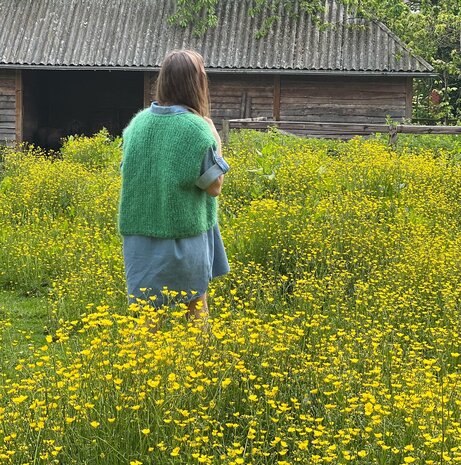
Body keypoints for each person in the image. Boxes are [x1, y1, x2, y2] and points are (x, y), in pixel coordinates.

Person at [118, 49, 230, 324]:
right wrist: (216, 139)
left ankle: (136, 366)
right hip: (183, 236)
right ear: (196, 83)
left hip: (140, 238)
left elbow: (128, 172)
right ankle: (202, 364)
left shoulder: (137, 124)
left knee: (146, 318)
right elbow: (214, 186)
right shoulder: (197, 129)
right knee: (196, 309)